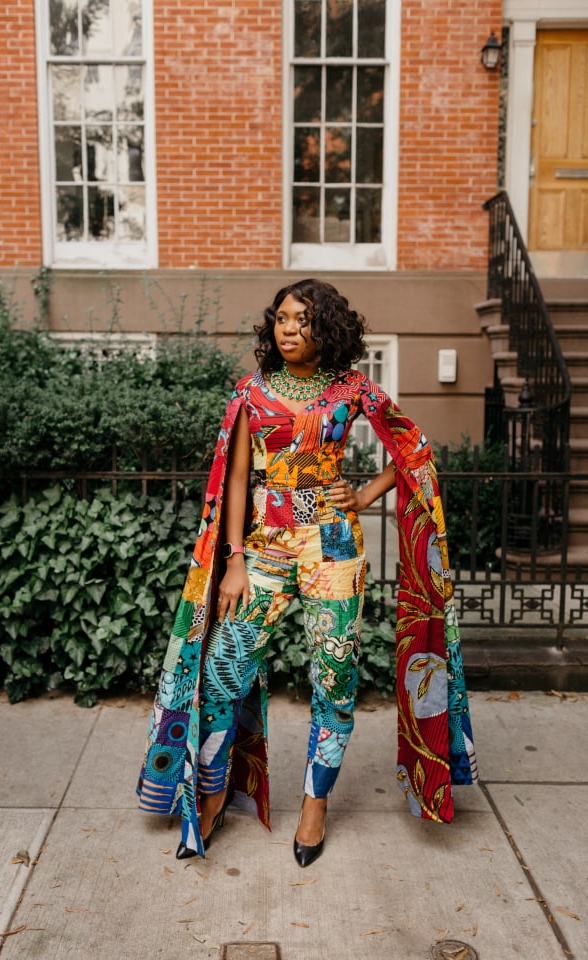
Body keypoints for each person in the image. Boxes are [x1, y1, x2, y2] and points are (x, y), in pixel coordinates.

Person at [137, 278, 477, 866]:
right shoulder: (252, 392)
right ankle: (213, 793)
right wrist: (235, 562)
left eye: (303, 320)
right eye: (283, 318)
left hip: (334, 547)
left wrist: (365, 495)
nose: (289, 329)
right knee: (223, 670)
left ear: (329, 329)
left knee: (335, 677)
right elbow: (239, 479)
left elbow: (415, 450)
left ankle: (314, 804)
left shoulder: (353, 391)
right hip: (264, 548)